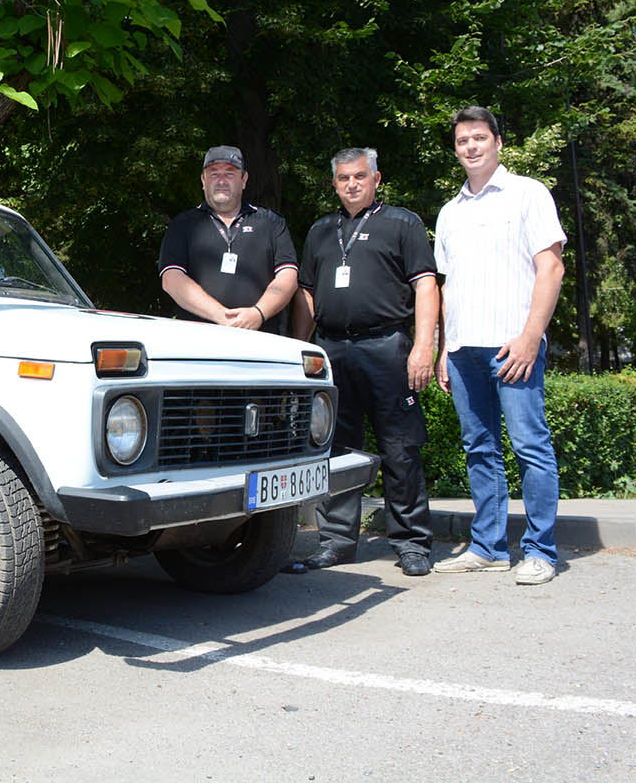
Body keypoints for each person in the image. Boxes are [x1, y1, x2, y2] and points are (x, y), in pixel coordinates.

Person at [433, 106, 566, 585]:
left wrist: (531, 338)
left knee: (531, 445)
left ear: (498, 143)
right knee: (479, 449)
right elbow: (450, 287)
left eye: (479, 138)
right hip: (465, 349)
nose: (470, 147)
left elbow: (551, 268)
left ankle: (540, 551)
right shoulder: (450, 212)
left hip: (514, 346)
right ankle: (488, 547)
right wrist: (444, 349)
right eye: (462, 140)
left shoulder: (528, 194)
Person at [288, 147, 437, 576]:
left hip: (386, 346)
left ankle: (411, 543)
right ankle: (335, 541)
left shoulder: (402, 223)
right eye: (342, 178)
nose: (351, 184)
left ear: (376, 178)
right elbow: (307, 294)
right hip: (332, 350)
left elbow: (426, 286)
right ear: (334, 183)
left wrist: (422, 346)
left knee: (401, 447)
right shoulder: (321, 230)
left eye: (359, 176)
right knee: (334, 447)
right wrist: (300, 349)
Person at [158, 145, 297, 334]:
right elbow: (172, 279)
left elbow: (287, 277)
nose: (221, 180)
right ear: (203, 180)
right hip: (196, 339)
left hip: (260, 337)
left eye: (230, 174)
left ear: (244, 180)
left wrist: (258, 313)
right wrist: (222, 316)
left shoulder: (271, 223)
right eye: (214, 174)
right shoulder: (183, 224)